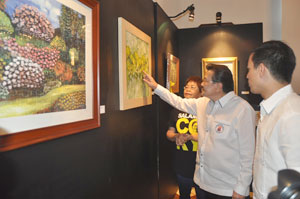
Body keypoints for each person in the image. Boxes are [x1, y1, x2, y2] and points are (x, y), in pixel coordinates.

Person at [143, 64, 255, 199]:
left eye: (206, 80)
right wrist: (156, 87)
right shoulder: (203, 103)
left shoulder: (242, 109)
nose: (202, 84)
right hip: (202, 183)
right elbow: (178, 102)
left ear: (218, 86)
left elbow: (248, 155)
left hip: (227, 190)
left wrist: (241, 190)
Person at [246, 40, 300, 199]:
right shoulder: (272, 110)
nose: (247, 75)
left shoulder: (292, 115)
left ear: (261, 69)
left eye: (249, 70)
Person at [167, 76, 203, 199]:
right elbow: (169, 133)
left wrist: (191, 137)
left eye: (192, 87)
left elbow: (212, 136)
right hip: (182, 161)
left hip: (202, 162)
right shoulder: (176, 109)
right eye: (186, 87)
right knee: (184, 195)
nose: (188, 89)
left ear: (201, 91)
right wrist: (177, 136)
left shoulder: (205, 110)